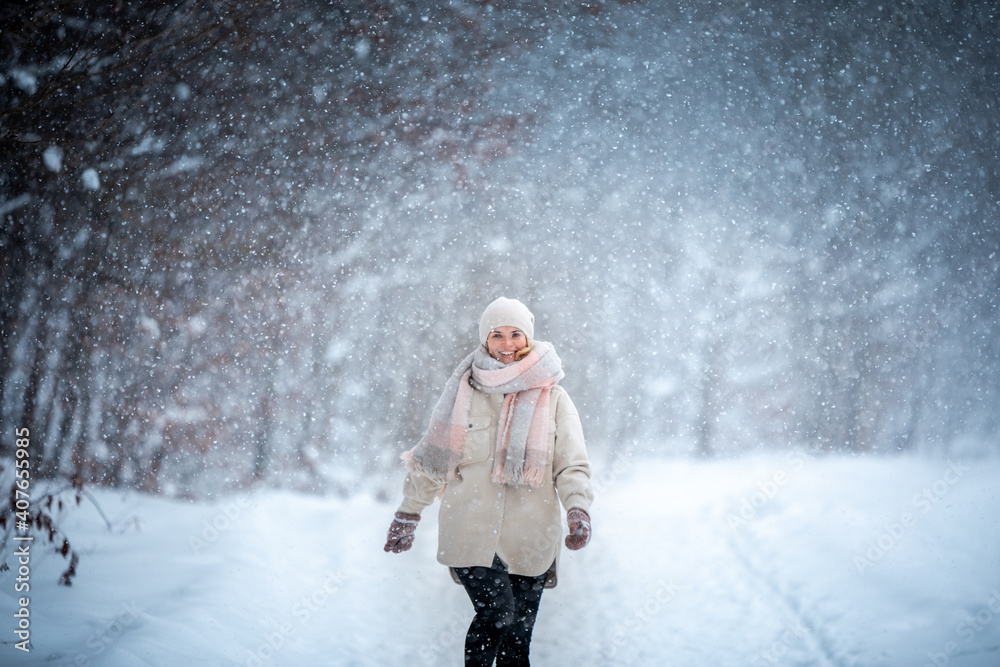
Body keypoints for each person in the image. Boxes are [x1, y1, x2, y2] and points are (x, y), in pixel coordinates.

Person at [384, 296, 594, 667]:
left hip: (531, 538)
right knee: (498, 615)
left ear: (528, 338)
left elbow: (571, 464)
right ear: (485, 339)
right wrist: (408, 513)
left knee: (517, 646)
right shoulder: (462, 395)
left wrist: (578, 507)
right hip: (472, 532)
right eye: (497, 334)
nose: (507, 343)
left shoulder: (555, 398)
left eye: (516, 334)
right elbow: (434, 462)